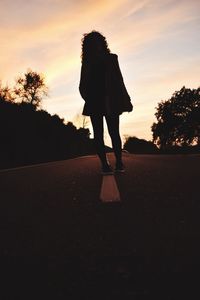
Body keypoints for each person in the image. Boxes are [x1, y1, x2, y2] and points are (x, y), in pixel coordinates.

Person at [79, 30, 133, 175]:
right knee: (98, 134)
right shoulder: (87, 62)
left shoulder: (112, 58)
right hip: (94, 101)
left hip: (112, 100)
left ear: (102, 43)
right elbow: (82, 84)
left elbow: (120, 80)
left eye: (98, 42)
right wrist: (89, 99)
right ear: (88, 46)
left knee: (114, 132)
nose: (96, 45)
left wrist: (126, 99)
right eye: (92, 43)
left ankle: (119, 162)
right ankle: (104, 164)